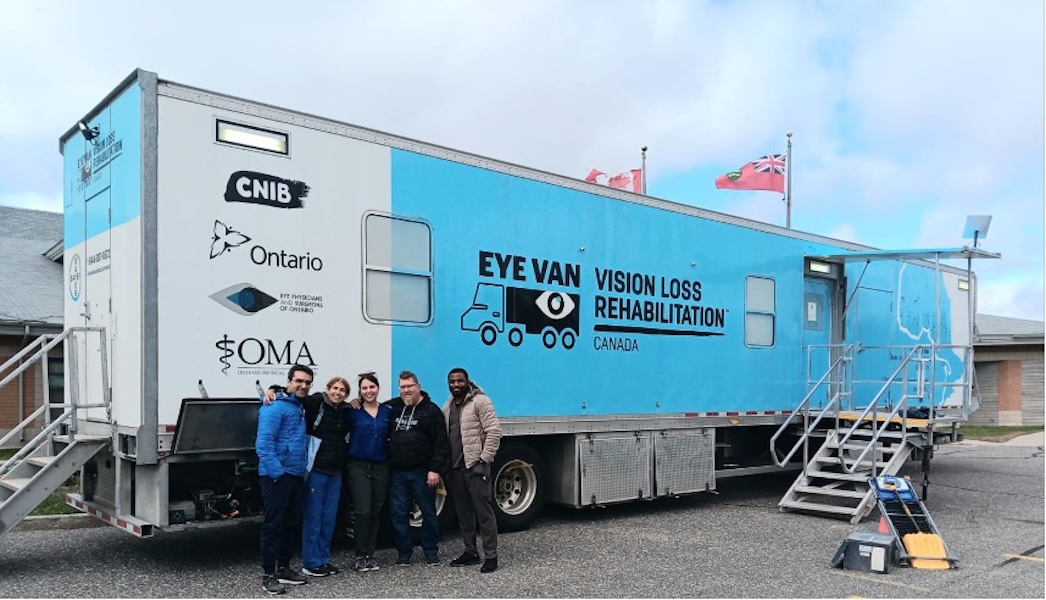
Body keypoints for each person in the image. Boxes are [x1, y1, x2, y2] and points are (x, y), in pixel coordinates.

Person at [266, 375, 351, 578]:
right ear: (328, 389)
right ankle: (310, 563)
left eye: (342, 390)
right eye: (335, 388)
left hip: (336, 472)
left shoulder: (346, 411)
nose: (337, 392)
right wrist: (273, 389)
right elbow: (294, 392)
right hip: (317, 471)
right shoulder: (315, 402)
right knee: (313, 518)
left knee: (329, 519)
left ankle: (323, 559)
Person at [255, 364, 312, 595]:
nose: (303, 385)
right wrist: (277, 474)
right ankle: (268, 574)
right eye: (299, 381)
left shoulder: (299, 406)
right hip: (277, 476)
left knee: (290, 523)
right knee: (273, 525)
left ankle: (284, 568)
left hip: (296, 474)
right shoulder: (273, 407)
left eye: (307, 382)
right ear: (289, 381)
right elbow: (263, 444)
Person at [386, 370, 450, 567]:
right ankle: (404, 553)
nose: (406, 390)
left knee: (428, 513)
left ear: (418, 386)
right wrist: (355, 402)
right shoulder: (394, 406)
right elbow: (370, 407)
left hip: (422, 472)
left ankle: (431, 551)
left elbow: (441, 443)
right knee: (399, 514)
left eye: (409, 386)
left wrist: (435, 469)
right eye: (402, 387)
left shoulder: (431, 410)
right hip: (398, 472)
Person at [442, 368, 503, 573]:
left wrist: (484, 460)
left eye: (459, 381)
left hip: (475, 467)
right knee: (464, 514)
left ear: (467, 381)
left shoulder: (481, 401)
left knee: (483, 513)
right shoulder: (448, 405)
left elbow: (494, 432)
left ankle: (491, 556)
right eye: (452, 381)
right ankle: (470, 552)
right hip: (456, 469)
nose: (456, 384)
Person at [344, 372, 393, 572]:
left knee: (375, 511)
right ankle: (359, 554)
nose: (368, 391)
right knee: (363, 511)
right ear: (360, 391)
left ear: (378, 388)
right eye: (364, 388)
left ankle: (370, 554)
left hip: (381, 465)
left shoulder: (388, 411)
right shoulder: (353, 411)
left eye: (371, 387)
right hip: (358, 466)